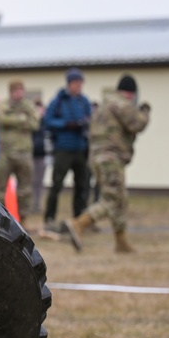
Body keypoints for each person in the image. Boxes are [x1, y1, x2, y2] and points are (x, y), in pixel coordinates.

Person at [65, 74, 150, 253]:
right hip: (110, 158)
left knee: (119, 198)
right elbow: (137, 124)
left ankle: (121, 242)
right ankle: (80, 223)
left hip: (98, 157)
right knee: (112, 199)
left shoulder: (104, 104)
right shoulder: (122, 104)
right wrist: (145, 112)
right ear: (131, 93)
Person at [42, 67, 92, 229]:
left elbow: (91, 119)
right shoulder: (58, 101)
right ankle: (49, 218)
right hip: (63, 148)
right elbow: (47, 121)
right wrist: (66, 124)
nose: (79, 86)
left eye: (80, 83)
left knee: (82, 184)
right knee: (57, 184)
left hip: (80, 148)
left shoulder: (84, 102)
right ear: (69, 84)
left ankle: (79, 219)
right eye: (76, 83)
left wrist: (84, 124)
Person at [0, 80, 40, 229]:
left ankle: (23, 219)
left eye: (21, 90)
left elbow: (35, 123)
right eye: (16, 90)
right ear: (11, 91)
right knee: (0, 188)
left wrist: (13, 120)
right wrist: (21, 119)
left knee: (25, 188)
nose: (19, 93)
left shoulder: (29, 106)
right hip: (6, 153)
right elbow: (0, 119)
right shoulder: (3, 105)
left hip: (24, 152)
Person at [29, 98, 48, 216]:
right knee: (31, 181)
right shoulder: (30, 123)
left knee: (39, 181)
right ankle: (30, 204)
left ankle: (37, 203)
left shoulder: (45, 123)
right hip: (30, 155)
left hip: (42, 155)